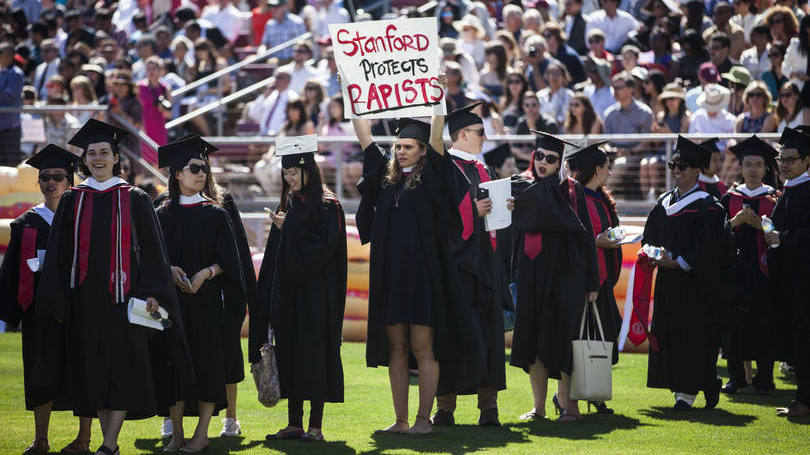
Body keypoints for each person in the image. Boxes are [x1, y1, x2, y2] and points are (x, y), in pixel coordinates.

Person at [36, 119, 191, 455]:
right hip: (83, 301)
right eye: (92, 153)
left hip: (125, 299)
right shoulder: (72, 199)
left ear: (116, 157)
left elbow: (153, 251)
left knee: (120, 368)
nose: (98, 158)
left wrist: (152, 292)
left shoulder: (135, 198)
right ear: (84, 159)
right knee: (92, 371)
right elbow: (59, 253)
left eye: (104, 152)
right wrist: (58, 298)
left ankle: (109, 442)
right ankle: (109, 443)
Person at [352, 113, 477, 434]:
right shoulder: (386, 178)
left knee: (423, 349)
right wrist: (352, 98)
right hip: (392, 279)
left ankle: (424, 420)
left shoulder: (433, 175)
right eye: (398, 146)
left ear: (423, 151)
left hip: (423, 279)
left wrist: (437, 104)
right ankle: (401, 420)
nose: (401, 151)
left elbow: (436, 139)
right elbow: (365, 138)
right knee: (396, 349)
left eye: (409, 147)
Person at [152, 135, 246, 453]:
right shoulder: (162, 215)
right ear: (178, 173)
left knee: (208, 367)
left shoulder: (216, 214)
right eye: (194, 168)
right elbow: (151, 259)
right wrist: (169, 270)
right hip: (174, 305)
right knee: (174, 367)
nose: (201, 173)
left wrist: (206, 273)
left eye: (204, 168)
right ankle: (177, 434)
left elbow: (230, 262)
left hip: (206, 304)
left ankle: (202, 434)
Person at [252, 138, 347, 442]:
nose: (289, 178)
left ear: (309, 170)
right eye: (286, 173)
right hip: (289, 295)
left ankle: (315, 427)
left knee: (315, 357)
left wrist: (289, 227)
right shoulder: (290, 203)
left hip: (317, 296)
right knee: (290, 355)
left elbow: (324, 250)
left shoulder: (328, 205)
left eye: (294, 172)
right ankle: (294, 424)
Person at [0, 146, 93, 455]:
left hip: (79, 310)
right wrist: (12, 313)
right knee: (40, 374)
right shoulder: (26, 223)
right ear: (38, 182)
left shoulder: (83, 219)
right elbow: (11, 272)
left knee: (83, 373)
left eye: (58, 177)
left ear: (70, 181)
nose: (51, 182)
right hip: (39, 312)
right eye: (45, 177)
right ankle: (40, 439)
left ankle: (83, 440)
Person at [510, 132, 599, 423]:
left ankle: (570, 407)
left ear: (560, 163)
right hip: (531, 273)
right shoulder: (519, 186)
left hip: (565, 275)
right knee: (533, 340)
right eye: (539, 156)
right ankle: (539, 408)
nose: (543, 162)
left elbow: (586, 237)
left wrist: (592, 281)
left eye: (551, 159)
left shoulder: (572, 190)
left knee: (564, 338)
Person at [641, 135, 734, 411]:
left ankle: (687, 394)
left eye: (683, 166)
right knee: (669, 333)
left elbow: (710, 248)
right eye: (674, 165)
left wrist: (680, 262)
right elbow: (650, 237)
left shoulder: (708, 206)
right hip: (668, 283)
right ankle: (700, 384)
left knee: (692, 335)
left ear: (696, 170)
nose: (677, 171)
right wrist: (652, 253)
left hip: (695, 285)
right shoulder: (664, 202)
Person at [432, 103, 509, 427]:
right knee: (452, 334)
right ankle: (445, 407)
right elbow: (436, 213)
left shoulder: (483, 168)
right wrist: (470, 213)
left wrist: (504, 208)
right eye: (480, 132)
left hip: (486, 264)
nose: (485, 138)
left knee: (490, 334)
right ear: (462, 134)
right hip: (458, 266)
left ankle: (488, 407)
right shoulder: (443, 167)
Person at [565, 141, 622, 414]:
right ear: (597, 170)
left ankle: (595, 391)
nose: (610, 172)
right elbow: (576, 238)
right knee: (582, 338)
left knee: (604, 335)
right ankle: (571, 396)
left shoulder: (601, 199)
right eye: (607, 167)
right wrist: (597, 242)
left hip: (603, 280)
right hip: (586, 280)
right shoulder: (576, 199)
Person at [720, 135, 779, 395]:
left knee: (765, 324)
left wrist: (758, 224)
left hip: (765, 274)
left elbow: (781, 235)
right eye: (748, 165)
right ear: (740, 168)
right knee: (734, 325)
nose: (753, 170)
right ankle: (736, 378)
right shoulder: (730, 198)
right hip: (735, 273)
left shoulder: (774, 199)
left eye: (758, 165)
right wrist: (734, 222)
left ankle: (765, 378)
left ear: (765, 168)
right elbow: (716, 235)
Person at [768, 127, 810, 418]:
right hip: (790, 281)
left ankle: (804, 401)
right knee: (797, 342)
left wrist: (782, 237)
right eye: (781, 159)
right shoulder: (790, 190)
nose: (783, 164)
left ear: (807, 160)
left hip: (804, 282)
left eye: (790, 159)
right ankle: (802, 399)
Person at [137, 56, 171, 165]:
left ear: (160, 70)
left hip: (159, 127)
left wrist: (162, 108)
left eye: (153, 69)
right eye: (148, 69)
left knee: (159, 162)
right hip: (144, 127)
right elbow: (137, 109)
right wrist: (140, 126)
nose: (151, 72)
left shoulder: (165, 88)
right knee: (144, 161)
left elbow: (168, 114)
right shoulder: (139, 86)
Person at [0, 41, 23, 166]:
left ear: (10, 55)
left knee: (11, 163)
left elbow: (11, 95)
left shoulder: (16, 73)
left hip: (10, 127)